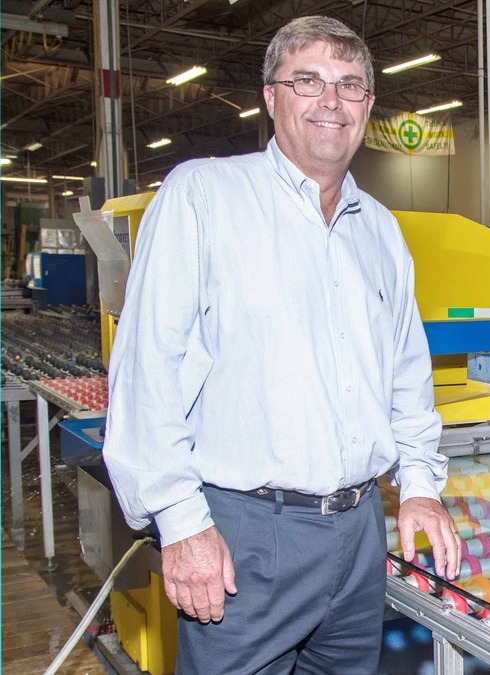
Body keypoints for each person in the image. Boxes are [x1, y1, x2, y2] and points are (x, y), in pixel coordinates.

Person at [103, 15, 460, 674]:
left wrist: (419, 486)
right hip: (245, 535)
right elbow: (147, 370)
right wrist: (181, 522)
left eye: (350, 86)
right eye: (309, 80)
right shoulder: (204, 198)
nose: (331, 101)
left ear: (368, 108)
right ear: (271, 97)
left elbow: (407, 377)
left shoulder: (380, 232)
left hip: (357, 535)